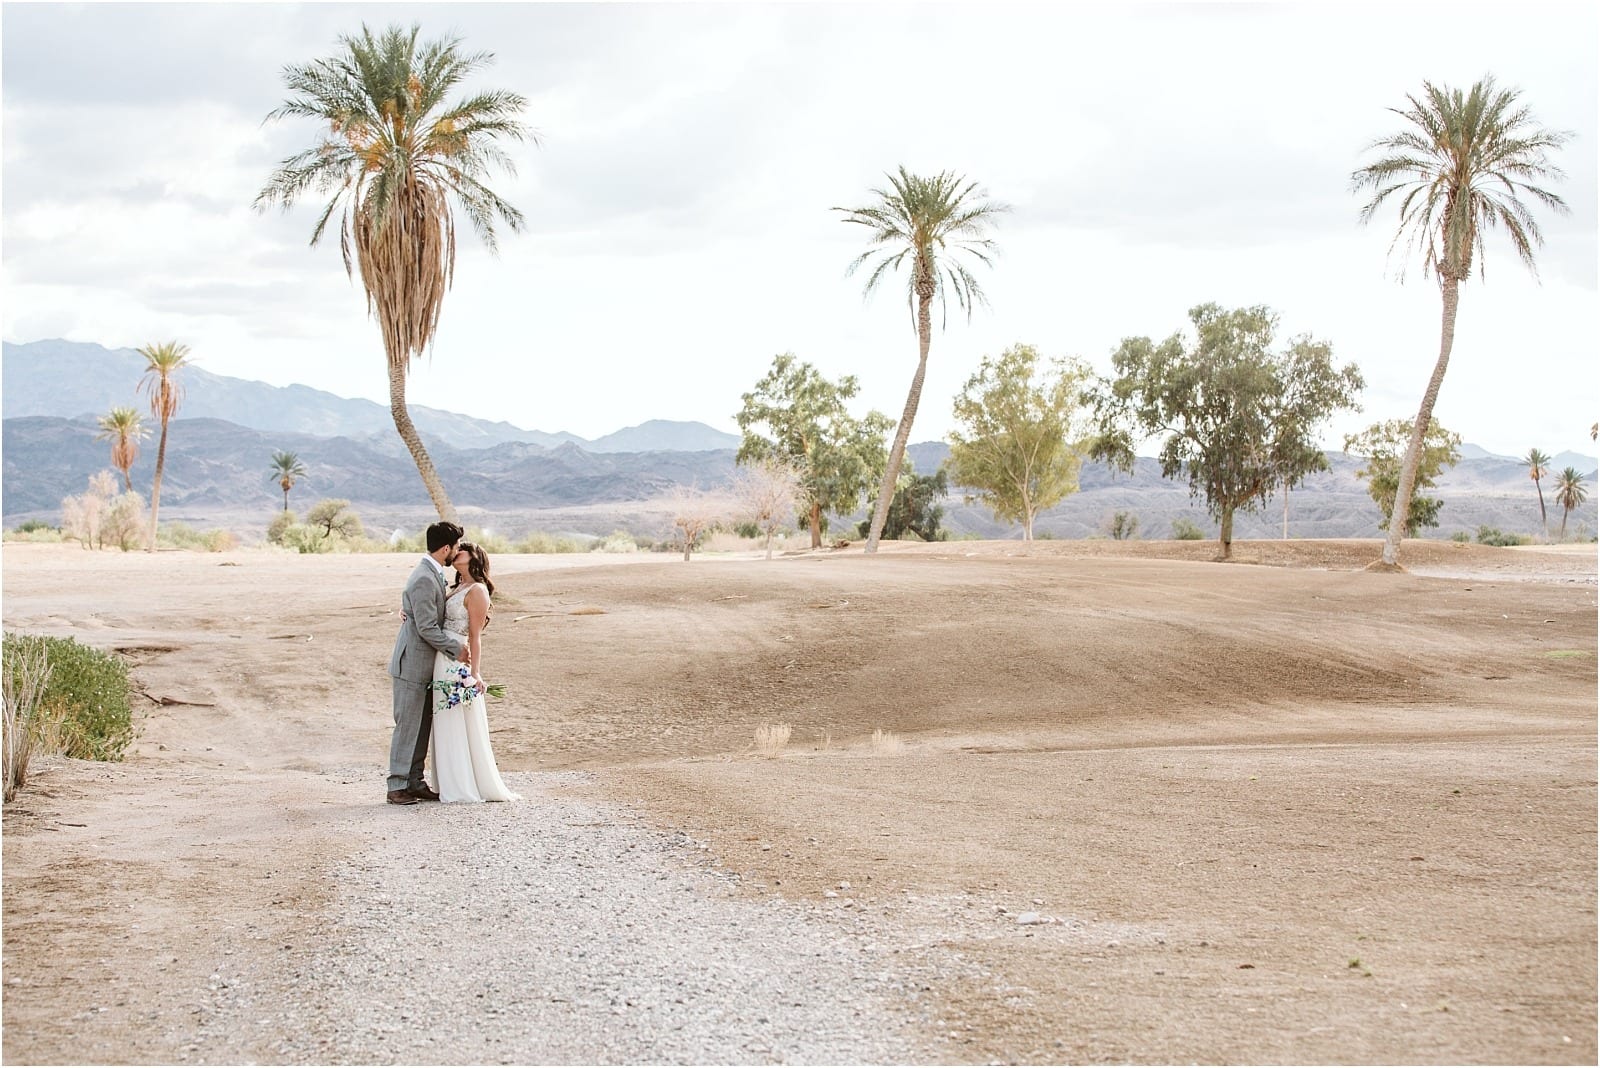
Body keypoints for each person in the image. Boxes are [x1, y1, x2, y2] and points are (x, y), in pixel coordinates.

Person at [430, 541, 520, 803]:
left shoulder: (478, 590)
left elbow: (475, 636)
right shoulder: (456, 587)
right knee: (443, 717)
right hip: (441, 655)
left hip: (457, 656)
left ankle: (462, 784)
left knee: (455, 715)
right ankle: (447, 781)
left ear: (474, 558)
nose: (456, 552)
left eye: (463, 550)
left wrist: (475, 673)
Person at [386, 521, 468, 806]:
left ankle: (414, 782)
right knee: (408, 724)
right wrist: (456, 649)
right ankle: (397, 786)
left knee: (422, 724)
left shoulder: (432, 574)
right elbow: (426, 628)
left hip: (426, 664)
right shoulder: (423, 577)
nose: (456, 552)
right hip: (411, 664)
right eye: (455, 547)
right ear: (445, 548)